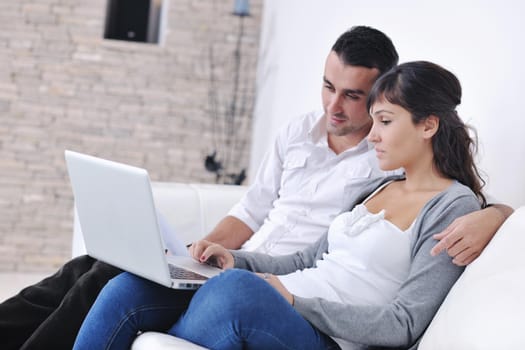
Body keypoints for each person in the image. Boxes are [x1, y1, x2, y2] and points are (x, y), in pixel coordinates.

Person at [0, 26, 511, 350]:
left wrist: (287, 299)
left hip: (324, 332)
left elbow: (403, 323)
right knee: (129, 280)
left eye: (383, 120)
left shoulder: (451, 208)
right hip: (277, 295)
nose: (372, 133)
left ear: (427, 126)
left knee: (236, 294)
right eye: (372, 119)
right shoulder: (379, 189)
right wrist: (232, 258)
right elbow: (301, 260)